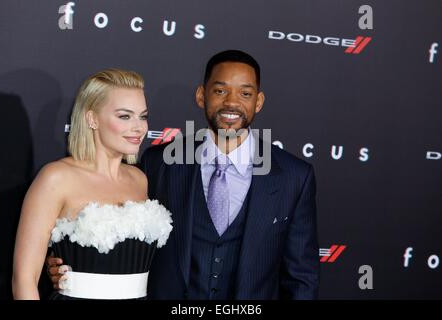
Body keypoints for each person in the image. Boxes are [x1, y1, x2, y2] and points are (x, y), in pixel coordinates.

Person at [48, 50, 319, 299]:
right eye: (220, 90)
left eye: (245, 94)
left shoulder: (293, 176)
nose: (232, 103)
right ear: (201, 95)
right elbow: (116, 231)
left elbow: (301, 278)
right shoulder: (159, 163)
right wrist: (68, 263)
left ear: (258, 101)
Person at [12, 69, 173, 300]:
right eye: (125, 116)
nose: (139, 128)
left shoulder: (139, 180)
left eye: (143, 116)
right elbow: (24, 280)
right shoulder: (56, 178)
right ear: (92, 118)